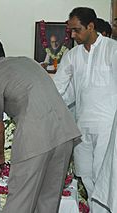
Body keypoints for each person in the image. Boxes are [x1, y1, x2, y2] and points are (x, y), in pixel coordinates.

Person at [0, 36, 81, 213]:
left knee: (20, 203)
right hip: (65, 133)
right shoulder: (27, 61)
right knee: (48, 201)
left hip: (35, 139)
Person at [53, 7, 117, 213]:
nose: (72, 35)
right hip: (81, 126)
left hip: (108, 126)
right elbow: (58, 90)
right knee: (85, 173)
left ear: (91, 26)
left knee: (102, 175)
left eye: (76, 30)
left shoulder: (112, 49)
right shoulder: (72, 56)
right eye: (70, 30)